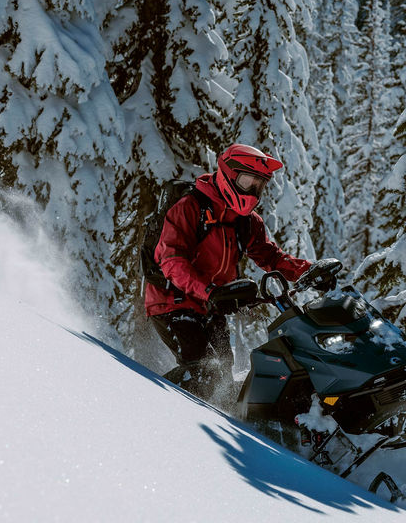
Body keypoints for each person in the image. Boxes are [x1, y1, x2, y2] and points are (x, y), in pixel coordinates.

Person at [145, 143, 341, 400]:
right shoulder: (189, 207)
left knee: (223, 380)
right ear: (228, 174)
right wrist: (209, 291)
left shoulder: (247, 222)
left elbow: (271, 256)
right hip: (173, 302)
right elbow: (171, 260)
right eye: (248, 182)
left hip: (213, 305)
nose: (253, 191)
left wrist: (309, 271)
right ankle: (151, 404)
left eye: (259, 185)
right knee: (205, 372)